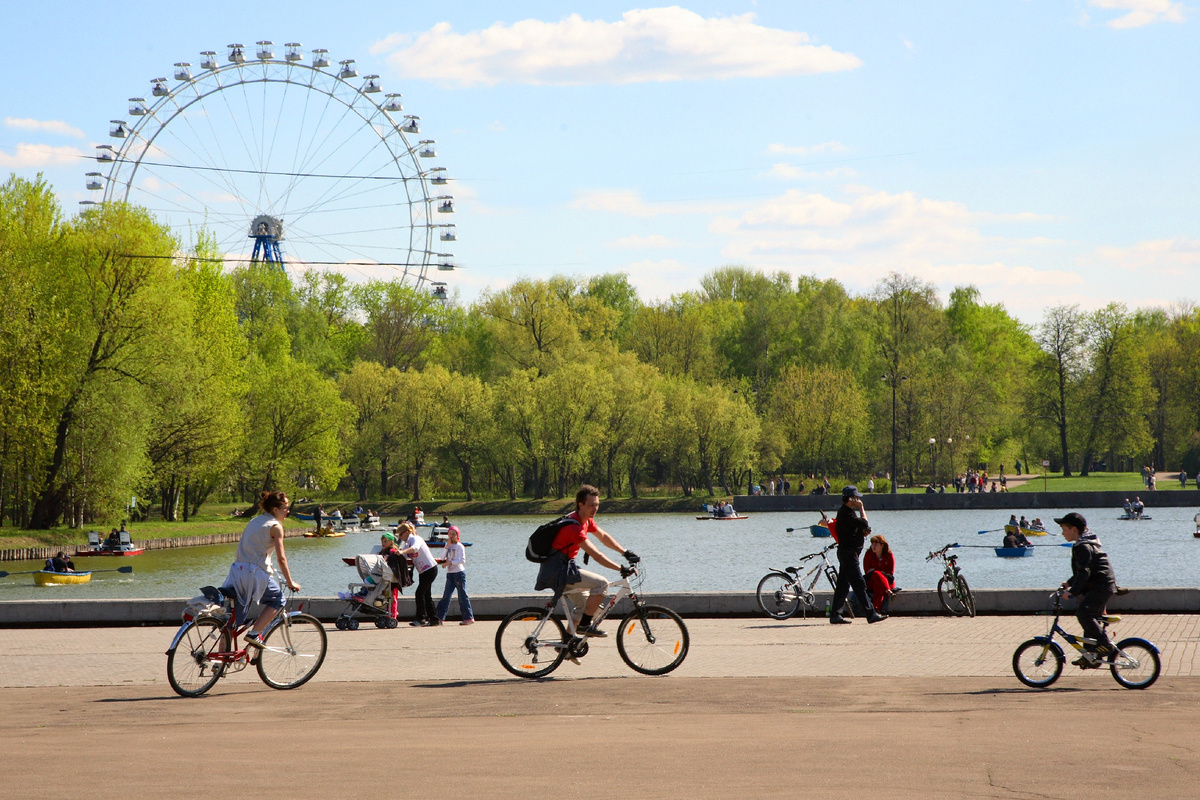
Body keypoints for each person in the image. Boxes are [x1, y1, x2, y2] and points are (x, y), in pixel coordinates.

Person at [534, 484, 639, 638]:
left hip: (563, 568)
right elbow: (597, 556)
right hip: (558, 572)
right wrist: (620, 569)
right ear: (580, 504)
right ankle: (584, 626)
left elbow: (603, 537)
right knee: (601, 583)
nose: (595, 509)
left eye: (597, 505)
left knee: (585, 606)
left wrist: (625, 552)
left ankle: (567, 646)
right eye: (591, 505)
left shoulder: (585, 521)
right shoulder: (574, 528)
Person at [221, 490, 301, 651]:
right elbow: (281, 558)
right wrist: (290, 582)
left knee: (232, 622)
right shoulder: (275, 527)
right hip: (254, 574)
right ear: (275, 509)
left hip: (237, 571)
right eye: (285, 507)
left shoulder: (255, 520)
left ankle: (219, 661)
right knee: (278, 599)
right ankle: (255, 633)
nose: (288, 510)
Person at [1055, 512, 1117, 667]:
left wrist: (1072, 593)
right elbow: (1082, 571)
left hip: (1101, 585)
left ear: (1074, 529)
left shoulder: (1082, 546)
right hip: (1102, 584)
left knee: (1084, 613)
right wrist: (1069, 583)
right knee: (1088, 618)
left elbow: (1084, 573)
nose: (1062, 533)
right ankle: (1091, 655)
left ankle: (1104, 644)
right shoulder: (1085, 543)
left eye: (1064, 529)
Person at [829, 485, 884, 624]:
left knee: (843, 584)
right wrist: (862, 508)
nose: (858, 499)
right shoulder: (846, 513)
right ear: (850, 498)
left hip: (847, 553)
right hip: (848, 554)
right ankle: (870, 614)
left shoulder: (848, 513)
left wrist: (861, 532)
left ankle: (835, 614)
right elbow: (864, 522)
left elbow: (855, 529)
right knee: (859, 584)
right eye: (856, 497)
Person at [398, 521, 439, 626]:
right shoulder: (407, 543)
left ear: (407, 532)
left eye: (401, 534)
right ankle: (434, 619)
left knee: (419, 593)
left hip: (430, 569)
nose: (400, 537)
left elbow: (415, 549)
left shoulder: (416, 539)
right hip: (423, 571)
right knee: (426, 595)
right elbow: (403, 555)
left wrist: (402, 552)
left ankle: (421, 619)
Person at [435, 526, 474, 625]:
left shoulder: (460, 546)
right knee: (446, 595)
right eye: (450, 534)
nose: (451, 536)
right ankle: (440, 617)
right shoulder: (448, 545)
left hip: (459, 573)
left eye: (454, 534)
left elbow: (462, 560)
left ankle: (468, 617)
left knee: (462, 595)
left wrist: (449, 563)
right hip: (450, 574)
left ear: (457, 535)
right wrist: (446, 546)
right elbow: (442, 557)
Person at [863, 534, 898, 614]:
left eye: (876, 544)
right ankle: (888, 593)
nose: (873, 546)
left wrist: (879, 572)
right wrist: (879, 572)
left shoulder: (889, 555)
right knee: (875, 574)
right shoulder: (868, 554)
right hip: (871, 581)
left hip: (887, 582)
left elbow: (890, 573)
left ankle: (876, 610)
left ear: (882, 545)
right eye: (872, 544)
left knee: (878, 582)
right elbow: (867, 571)